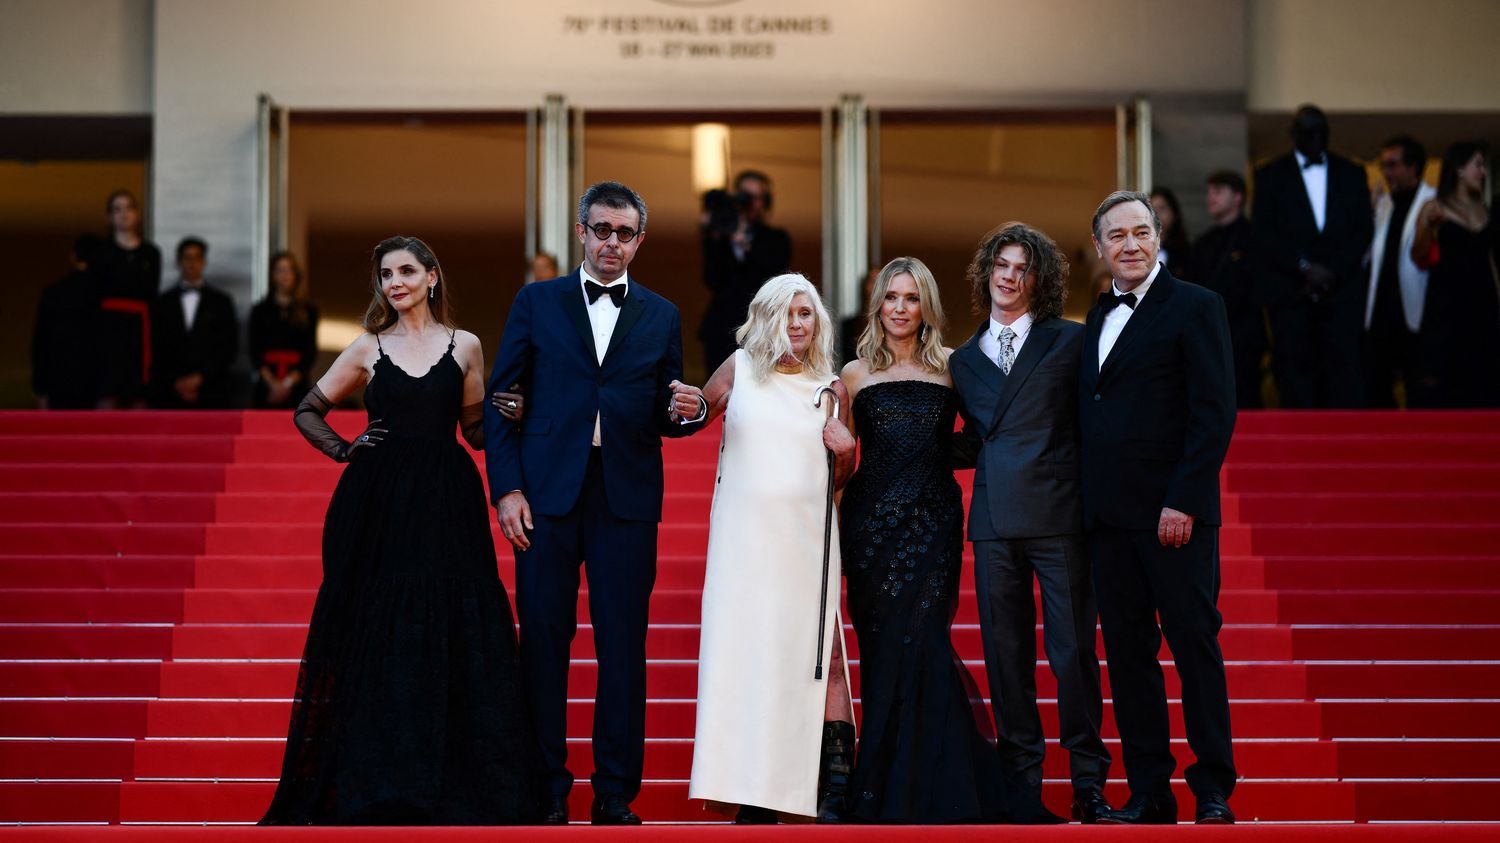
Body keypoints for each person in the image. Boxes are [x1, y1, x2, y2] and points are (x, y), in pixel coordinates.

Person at [262, 236, 542, 825]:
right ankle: (381, 777)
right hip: (378, 500)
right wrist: (345, 450)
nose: (395, 282)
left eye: (407, 270)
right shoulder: (366, 347)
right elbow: (306, 409)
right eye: (386, 274)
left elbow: (473, 431)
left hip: (447, 496)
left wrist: (509, 412)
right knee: (379, 624)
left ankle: (455, 782)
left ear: (432, 277)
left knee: (454, 618)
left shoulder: (466, 346)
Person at [484, 182, 709, 826]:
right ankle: (545, 788)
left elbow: (665, 409)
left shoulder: (662, 315)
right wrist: (507, 490)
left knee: (623, 645)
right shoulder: (537, 301)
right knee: (545, 644)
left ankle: (615, 793)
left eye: (625, 233)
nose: (612, 243)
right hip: (547, 495)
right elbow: (503, 403)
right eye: (602, 230)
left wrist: (684, 413)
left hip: (627, 499)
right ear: (581, 232)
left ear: (640, 242)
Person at [838, 255, 1062, 824]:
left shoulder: (953, 370)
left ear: (926, 307)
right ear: (877, 304)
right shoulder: (853, 374)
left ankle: (932, 785)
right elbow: (838, 460)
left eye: (911, 299)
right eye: (891, 297)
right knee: (884, 652)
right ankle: (884, 784)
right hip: (870, 530)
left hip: (934, 524)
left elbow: (985, 435)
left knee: (925, 644)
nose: (899, 309)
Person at [1080, 191, 1237, 825]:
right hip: (1109, 523)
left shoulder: (1197, 305)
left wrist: (1184, 501)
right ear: (1100, 248)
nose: (1131, 244)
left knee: (1194, 648)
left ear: (1159, 236)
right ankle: (1149, 793)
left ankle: (1213, 790)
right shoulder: (1095, 316)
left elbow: (1213, 412)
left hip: (1176, 517)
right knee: (1128, 657)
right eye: (1116, 236)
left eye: (1141, 231)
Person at [950, 225, 1111, 823]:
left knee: (1072, 654)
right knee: (1005, 656)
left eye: (1023, 268)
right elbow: (971, 441)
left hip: (1059, 515)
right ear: (986, 271)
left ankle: (1087, 782)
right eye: (1001, 264)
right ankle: (1021, 785)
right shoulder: (962, 360)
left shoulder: (1069, 340)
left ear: (1039, 280)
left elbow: (1093, 424)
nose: (1009, 276)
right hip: (993, 520)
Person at [688, 273, 856, 824]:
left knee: (821, 657)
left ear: (818, 322)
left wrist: (849, 448)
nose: (796, 324)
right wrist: (685, 405)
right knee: (748, 657)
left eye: (805, 313)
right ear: (765, 317)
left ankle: (833, 787)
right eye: (786, 313)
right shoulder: (739, 368)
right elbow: (692, 419)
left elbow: (842, 475)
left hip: (807, 539)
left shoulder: (833, 386)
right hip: (743, 543)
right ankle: (751, 792)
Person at [1252, 105, 1373, 408]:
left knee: (1344, 378)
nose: (1317, 138)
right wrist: (1304, 267)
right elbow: (1264, 234)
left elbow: (1363, 230)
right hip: (1292, 295)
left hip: (1341, 294)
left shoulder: (1352, 173)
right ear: (1293, 135)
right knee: (1296, 380)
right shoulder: (1269, 176)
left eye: (1322, 131)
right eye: (1308, 132)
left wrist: (1333, 272)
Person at [1412, 142, 1499, 407]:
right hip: (1447, 302)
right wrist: (1428, 226)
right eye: (1478, 165)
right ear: (1460, 169)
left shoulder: (1486, 209)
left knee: (1484, 374)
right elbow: (1418, 255)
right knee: (1446, 375)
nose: (1482, 172)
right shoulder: (1434, 206)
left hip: (1483, 300)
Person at [1364, 136, 1436, 408]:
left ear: (1414, 167)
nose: (1386, 172)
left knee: (1419, 392)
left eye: (1393, 165)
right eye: (1383, 165)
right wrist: (1368, 211)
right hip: (1382, 312)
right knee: (1378, 391)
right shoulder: (1384, 205)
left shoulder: (1433, 201)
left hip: (1416, 312)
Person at [698, 170, 793, 373]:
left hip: (762, 328)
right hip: (723, 330)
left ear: (765, 202)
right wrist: (716, 234)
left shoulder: (776, 238)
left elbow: (775, 276)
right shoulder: (720, 236)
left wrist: (745, 244)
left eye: (755, 198)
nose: (748, 203)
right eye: (743, 196)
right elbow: (712, 279)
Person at [1187, 171, 1266, 409]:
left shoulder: (1255, 238)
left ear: (1238, 197)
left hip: (1243, 335)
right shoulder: (1203, 242)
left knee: (1245, 398)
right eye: (1209, 191)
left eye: (1218, 191)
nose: (1211, 197)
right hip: (1208, 335)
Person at [149, 237, 238, 408]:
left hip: (211, 390)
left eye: (196, 258)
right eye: (186, 258)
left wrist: (200, 378)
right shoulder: (162, 302)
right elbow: (157, 345)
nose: (191, 263)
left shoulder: (221, 302)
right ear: (178, 262)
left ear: (204, 262)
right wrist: (176, 380)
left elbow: (227, 347)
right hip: (169, 391)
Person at [94, 189, 162, 408]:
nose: (124, 214)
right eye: (117, 209)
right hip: (107, 327)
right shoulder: (102, 251)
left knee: (139, 390)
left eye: (129, 208)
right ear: (109, 217)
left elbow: (151, 292)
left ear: (138, 214)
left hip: (140, 328)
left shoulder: (151, 253)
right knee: (107, 388)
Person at [32, 234, 103, 409]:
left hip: (59, 381)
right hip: (97, 385)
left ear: (73, 257)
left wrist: (40, 388)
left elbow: (40, 344)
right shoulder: (108, 296)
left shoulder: (53, 293)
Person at [250, 251, 320, 409]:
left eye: (289, 270)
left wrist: (286, 384)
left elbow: (309, 353)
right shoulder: (260, 311)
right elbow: (254, 351)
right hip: (266, 386)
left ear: (295, 275)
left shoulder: (308, 311)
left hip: (297, 387)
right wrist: (273, 384)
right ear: (273, 275)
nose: (285, 275)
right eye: (280, 270)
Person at [1150, 187, 1191, 279]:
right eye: (1152, 209)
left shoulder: (1187, 254)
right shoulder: (1138, 251)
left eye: (1162, 208)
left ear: (1174, 213)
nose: (1156, 214)